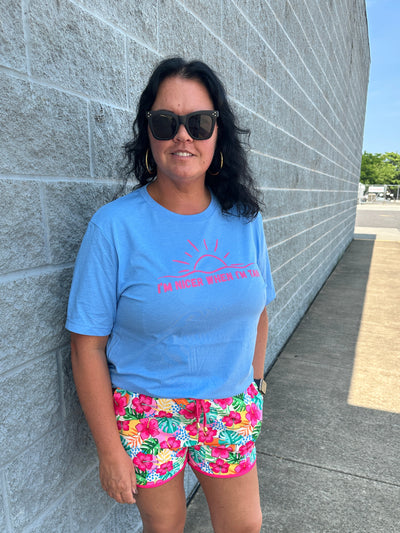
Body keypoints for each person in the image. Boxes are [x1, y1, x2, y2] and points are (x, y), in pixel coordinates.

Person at [66, 57, 275, 533]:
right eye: (166, 122)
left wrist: (256, 385)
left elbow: (259, 308)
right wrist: (109, 451)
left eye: (199, 123)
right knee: (165, 529)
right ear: (149, 132)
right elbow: (86, 346)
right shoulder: (113, 227)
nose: (183, 136)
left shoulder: (246, 220)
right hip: (148, 410)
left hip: (230, 404)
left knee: (244, 525)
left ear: (218, 133)